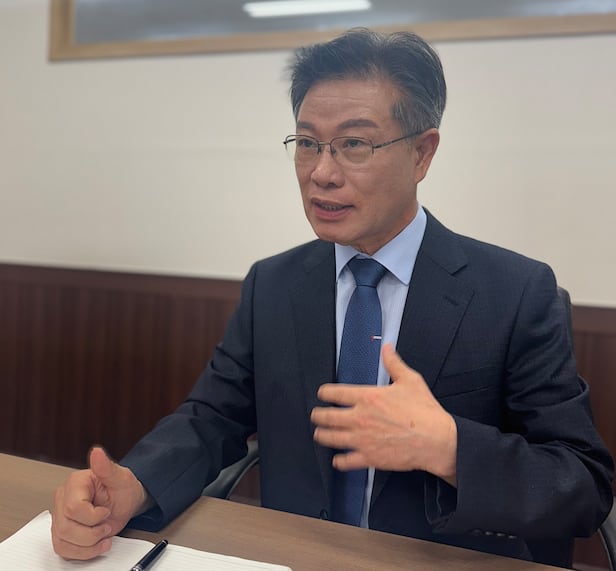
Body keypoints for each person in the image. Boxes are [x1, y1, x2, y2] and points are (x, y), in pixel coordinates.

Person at [51, 28, 613, 568]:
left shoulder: (514, 293)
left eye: (354, 145)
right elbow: (211, 418)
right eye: (307, 144)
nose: (321, 173)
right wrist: (135, 484)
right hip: (293, 559)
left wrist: (450, 448)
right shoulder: (273, 284)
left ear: (422, 153)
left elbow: (583, 485)